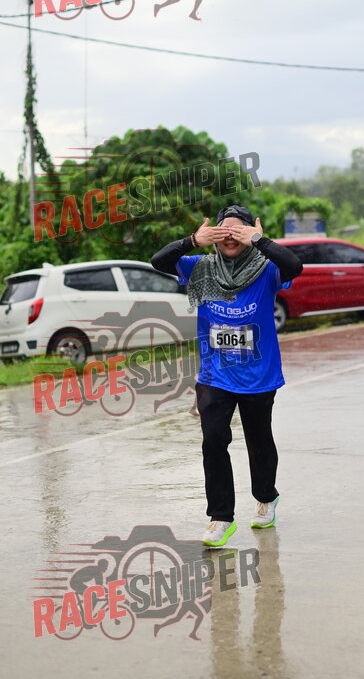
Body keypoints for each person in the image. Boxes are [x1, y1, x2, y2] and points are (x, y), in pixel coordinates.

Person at [151, 205, 303, 547]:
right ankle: (220, 518)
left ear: (249, 234)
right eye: (223, 231)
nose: (230, 238)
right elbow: (158, 261)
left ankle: (266, 497)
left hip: (259, 376)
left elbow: (295, 265)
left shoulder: (267, 269)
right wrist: (193, 240)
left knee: (259, 441)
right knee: (213, 441)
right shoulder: (200, 267)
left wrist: (259, 240)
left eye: (238, 231)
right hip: (214, 375)